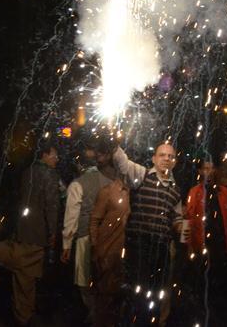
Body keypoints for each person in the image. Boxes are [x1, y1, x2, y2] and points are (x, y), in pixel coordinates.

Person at [113, 140, 183, 325]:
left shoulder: (175, 190)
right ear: (154, 158)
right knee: (136, 294)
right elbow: (123, 164)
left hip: (161, 249)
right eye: (162, 155)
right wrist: (114, 143)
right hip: (139, 246)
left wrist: (180, 226)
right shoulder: (142, 175)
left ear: (175, 161)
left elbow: (176, 218)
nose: (166, 159)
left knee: (155, 295)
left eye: (170, 156)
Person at [0, 143, 61, 326]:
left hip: (20, 231)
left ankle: (19, 312)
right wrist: (53, 233)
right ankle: (23, 317)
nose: (57, 159)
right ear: (44, 155)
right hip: (36, 236)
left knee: (19, 276)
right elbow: (51, 206)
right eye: (54, 155)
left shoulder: (27, 171)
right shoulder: (50, 175)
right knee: (26, 280)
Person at [62, 139, 116, 322]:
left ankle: (94, 316)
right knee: (102, 280)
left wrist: (66, 245)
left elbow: (71, 218)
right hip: (107, 239)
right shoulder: (111, 182)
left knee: (85, 281)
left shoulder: (77, 184)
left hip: (85, 237)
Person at [184, 156, 227, 324]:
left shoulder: (226, 193)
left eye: (211, 168)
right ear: (200, 171)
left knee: (221, 293)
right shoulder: (194, 192)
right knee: (202, 291)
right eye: (205, 168)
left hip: (221, 250)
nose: (209, 172)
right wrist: (189, 248)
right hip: (201, 250)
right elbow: (188, 220)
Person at [90, 176, 129, 327]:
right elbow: (95, 220)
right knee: (104, 294)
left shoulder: (135, 192)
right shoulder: (107, 192)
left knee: (119, 296)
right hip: (107, 249)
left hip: (124, 252)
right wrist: (96, 247)